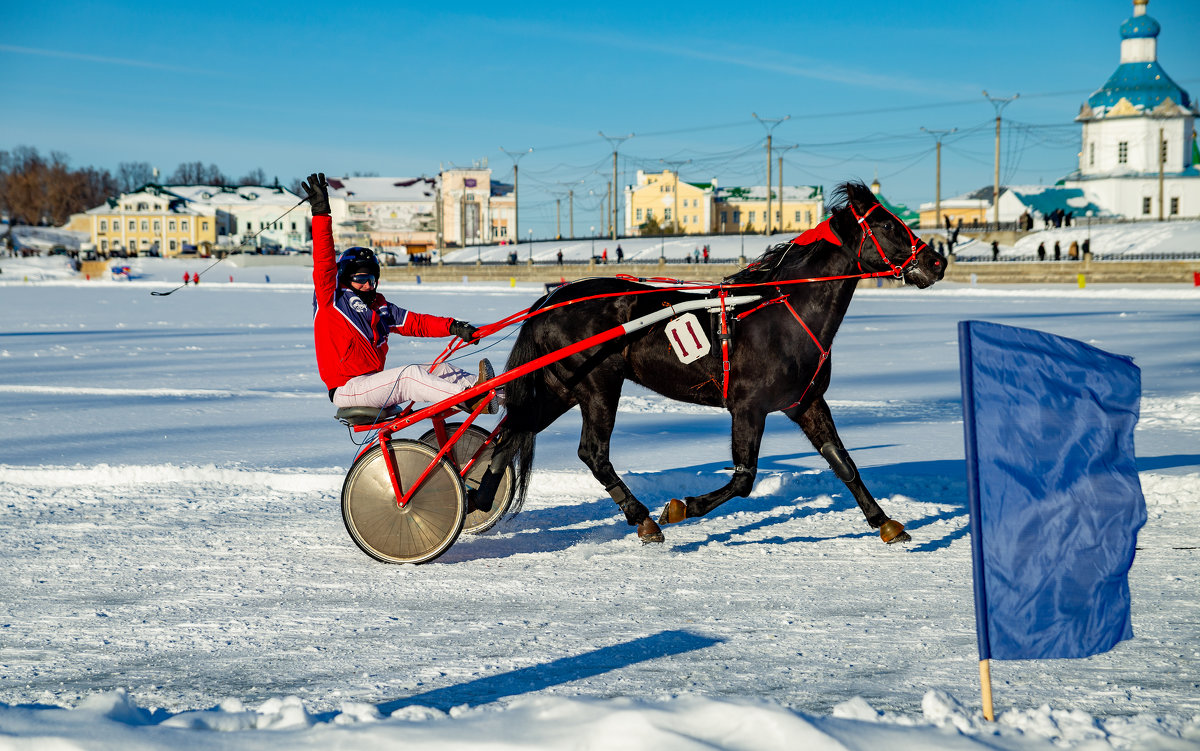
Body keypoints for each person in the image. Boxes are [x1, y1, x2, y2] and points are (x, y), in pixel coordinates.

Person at [300, 173, 496, 414]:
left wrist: (454, 327)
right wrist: (321, 214)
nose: (368, 285)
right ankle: (473, 399)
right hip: (348, 387)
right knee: (410, 377)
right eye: (360, 279)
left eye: (371, 279)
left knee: (443, 370)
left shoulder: (380, 307)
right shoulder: (331, 299)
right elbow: (324, 262)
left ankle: (503, 395)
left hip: (374, 383)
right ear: (346, 279)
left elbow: (417, 323)